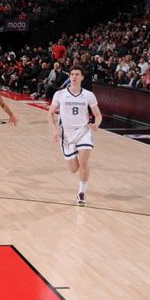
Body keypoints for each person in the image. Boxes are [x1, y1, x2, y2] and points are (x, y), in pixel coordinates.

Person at [48, 66, 103, 206]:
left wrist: (96, 124)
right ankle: (78, 167)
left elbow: (98, 115)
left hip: (84, 131)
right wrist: (55, 129)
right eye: (72, 74)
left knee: (84, 162)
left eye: (77, 74)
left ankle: (82, 193)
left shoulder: (88, 95)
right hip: (66, 134)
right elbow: (50, 113)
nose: (74, 77)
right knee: (73, 169)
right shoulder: (60, 94)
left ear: (82, 77)